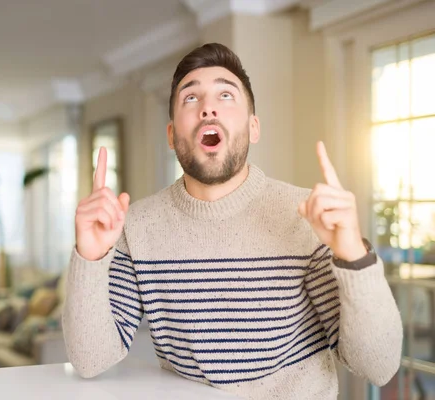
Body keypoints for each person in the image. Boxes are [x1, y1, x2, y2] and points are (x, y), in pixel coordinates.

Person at [62, 42, 402, 400]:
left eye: (226, 95)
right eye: (190, 99)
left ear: (253, 127)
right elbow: (90, 360)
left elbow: (377, 367)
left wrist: (353, 254)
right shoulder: (138, 226)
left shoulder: (306, 215)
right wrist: (91, 257)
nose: (208, 107)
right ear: (171, 135)